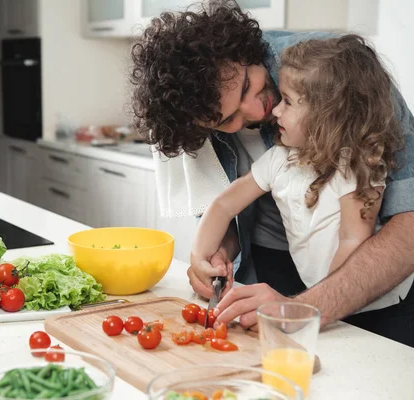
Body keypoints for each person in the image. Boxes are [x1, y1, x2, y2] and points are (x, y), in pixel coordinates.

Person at [130, 0, 414, 347]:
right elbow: (224, 205)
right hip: (271, 266)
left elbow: (407, 225)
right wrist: (211, 254)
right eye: (226, 120)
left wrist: (309, 305)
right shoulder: (205, 110)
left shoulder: (339, 76)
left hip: (371, 278)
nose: (257, 109)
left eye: (249, 85)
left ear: (244, 52)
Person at [192, 34, 402, 315]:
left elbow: (353, 240)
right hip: (320, 297)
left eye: (288, 102)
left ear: (327, 115)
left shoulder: (358, 165)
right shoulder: (280, 158)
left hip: (367, 304)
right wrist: (200, 258)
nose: (275, 109)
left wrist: (318, 305)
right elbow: (224, 205)